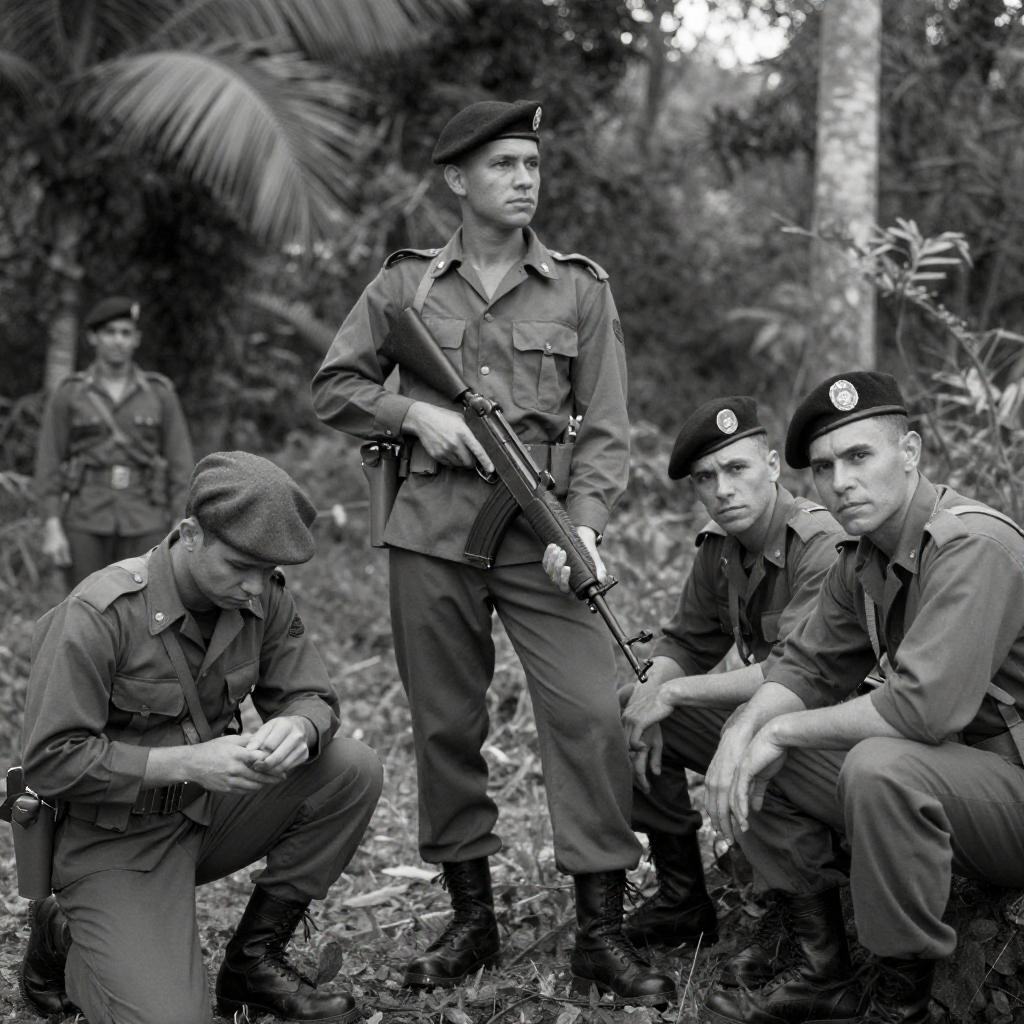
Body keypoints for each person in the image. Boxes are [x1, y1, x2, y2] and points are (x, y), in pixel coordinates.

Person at [311, 99, 674, 1004]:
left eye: (532, 164)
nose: (523, 180)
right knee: (445, 722)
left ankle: (600, 930)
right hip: (431, 531)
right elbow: (334, 385)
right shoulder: (404, 286)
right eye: (504, 164)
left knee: (589, 714)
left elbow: (608, 429)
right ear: (456, 180)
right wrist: (413, 414)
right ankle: (472, 920)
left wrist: (583, 527)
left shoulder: (580, 288)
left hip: (541, 530)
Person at [699, 371, 1024, 1024]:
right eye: (824, 467)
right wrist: (743, 730)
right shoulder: (862, 559)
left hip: (1008, 782)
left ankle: (903, 1004)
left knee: (876, 765)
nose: (840, 482)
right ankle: (822, 969)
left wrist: (779, 731)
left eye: (858, 456)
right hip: (959, 777)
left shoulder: (972, 546)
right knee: (758, 734)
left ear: (910, 452)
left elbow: (921, 711)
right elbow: (802, 668)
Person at [18, 451, 384, 1024]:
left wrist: (298, 726)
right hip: (112, 838)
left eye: (267, 570)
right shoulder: (99, 614)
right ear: (190, 534)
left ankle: (253, 963)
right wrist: (190, 762)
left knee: (349, 768)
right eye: (240, 566)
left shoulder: (260, 595)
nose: (254, 585)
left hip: (206, 813)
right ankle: (65, 935)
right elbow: (50, 762)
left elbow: (312, 697)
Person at [557, 397, 843, 984]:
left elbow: (797, 670)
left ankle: (804, 933)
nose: (723, 490)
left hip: (838, 731)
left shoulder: (820, 543)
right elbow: (687, 640)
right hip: (776, 717)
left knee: (750, 738)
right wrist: (654, 691)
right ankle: (683, 897)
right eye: (706, 478)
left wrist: (677, 693)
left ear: (772, 465)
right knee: (629, 710)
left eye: (737, 469)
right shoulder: (721, 547)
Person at [35, 295, 194, 589]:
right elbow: (49, 462)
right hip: (84, 518)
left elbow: (181, 464)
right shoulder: (70, 393)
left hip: (145, 517)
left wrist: (179, 522)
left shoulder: (159, 394)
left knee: (146, 602)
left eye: (125, 333)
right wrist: (52, 526)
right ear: (93, 338)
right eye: (109, 332)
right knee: (85, 602)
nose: (118, 340)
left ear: (136, 340)